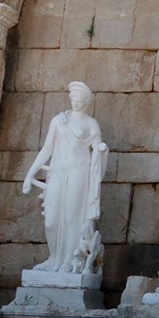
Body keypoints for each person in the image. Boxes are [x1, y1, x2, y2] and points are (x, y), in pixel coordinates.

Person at [22, 81, 109, 275]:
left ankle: (70, 260)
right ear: (70, 98)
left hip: (79, 170)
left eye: (81, 99)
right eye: (74, 98)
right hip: (58, 170)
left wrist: (102, 150)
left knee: (72, 216)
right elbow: (47, 149)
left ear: (86, 101)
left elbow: (97, 147)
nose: (77, 102)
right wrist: (30, 174)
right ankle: (54, 258)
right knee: (51, 218)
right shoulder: (59, 120)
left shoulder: (90, 123)